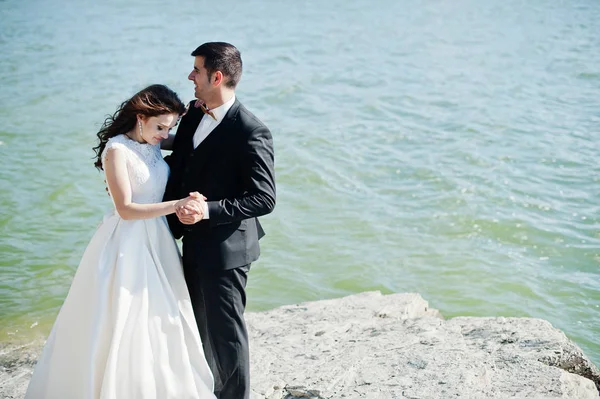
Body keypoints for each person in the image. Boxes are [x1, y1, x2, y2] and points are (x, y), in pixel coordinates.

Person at [25, 84, 216, 399]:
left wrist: (201, 114)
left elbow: (186, 143)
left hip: (158, 242)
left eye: (169, 127)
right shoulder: (116, 150)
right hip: (127, 243)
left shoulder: (151, 139)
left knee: (162, 317)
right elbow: (125, 209)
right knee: (123, 318)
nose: (163, 135)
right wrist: (178, 204)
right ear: (140, 117)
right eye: (159, 127)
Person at [162, 42, 276, 399]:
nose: (190, 77)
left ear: (217, 76)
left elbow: (264, 198)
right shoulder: (196, 113)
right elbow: (184, 157)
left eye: (196, 71)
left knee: (226, 336)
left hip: (227, 250)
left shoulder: (251, 131)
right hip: (190, 241)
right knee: (198, 329)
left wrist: (207, 209)